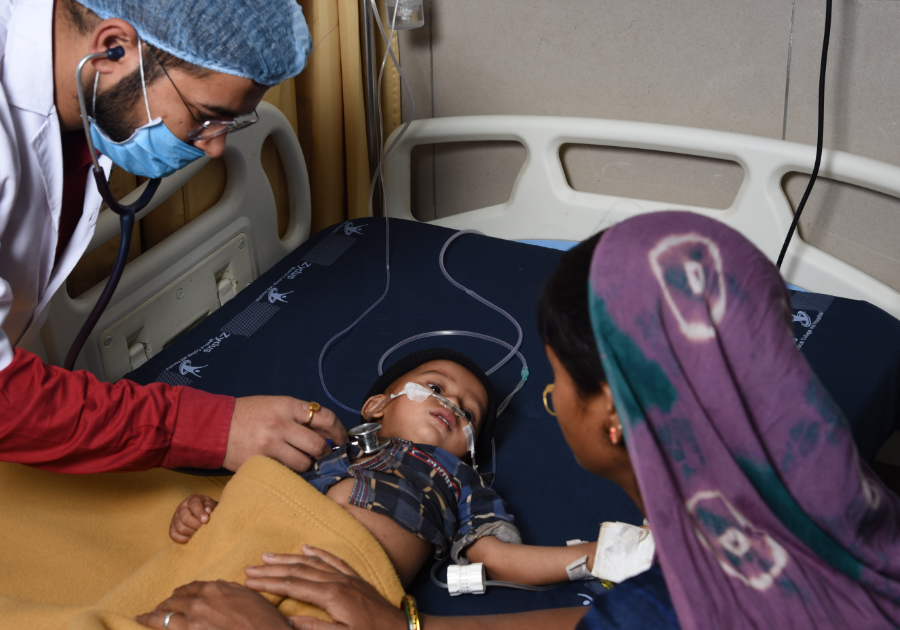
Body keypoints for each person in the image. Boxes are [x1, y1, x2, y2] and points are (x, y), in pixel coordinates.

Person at [136, 212, 900, 630]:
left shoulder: (674, 606)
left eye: (556, 384)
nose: (452, 407)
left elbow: (513, 565)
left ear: (612, 416)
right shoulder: (818, 529)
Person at [0, 0, 347, 474]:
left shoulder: (88, 97)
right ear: (113, 47)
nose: (216, 146)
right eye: (205, 116)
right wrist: (212, 429)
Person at [167, 349, 601, 588]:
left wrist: (593, 556)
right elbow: (259, 485)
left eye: (469, 412)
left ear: (469, 451)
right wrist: (210, 510)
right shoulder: (322, 448)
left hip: (344, 583)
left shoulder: (459, 481)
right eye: (435, 386)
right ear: (377, 406)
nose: (452, 403)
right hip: (262, 547)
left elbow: (500, 559)